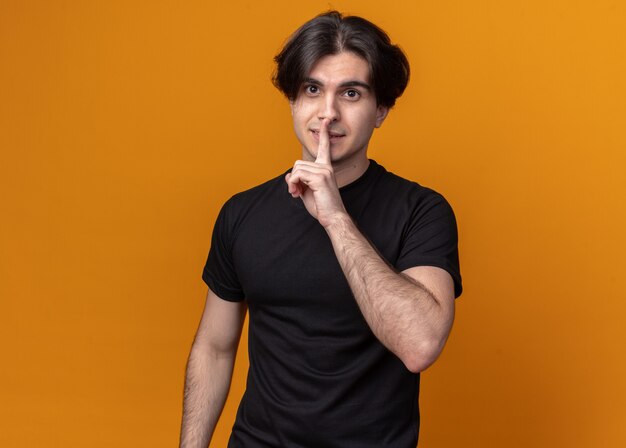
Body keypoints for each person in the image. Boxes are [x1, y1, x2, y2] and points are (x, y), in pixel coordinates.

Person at [180, 10, 462, 448]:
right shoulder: (242, 213)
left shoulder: (422, 211)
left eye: (350, 93)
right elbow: (214, 348)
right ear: (293, 99)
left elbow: (419, 344)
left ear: (381, 110)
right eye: (313, 89)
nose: (327, 113)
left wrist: (334, 217)